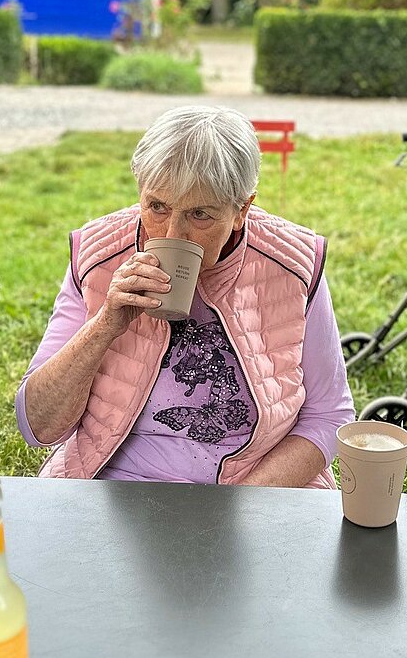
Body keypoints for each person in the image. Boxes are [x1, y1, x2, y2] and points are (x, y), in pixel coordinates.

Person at [18, 106, 354, 486]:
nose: (173, 233)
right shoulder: (99, 254)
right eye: (157, 206)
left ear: (241, 209)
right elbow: (38, 427)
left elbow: (328, 415)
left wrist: (246, 504)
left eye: (200, 215)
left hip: (254, 487)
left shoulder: (292, 262)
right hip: (115, 485)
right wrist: (105, 325)